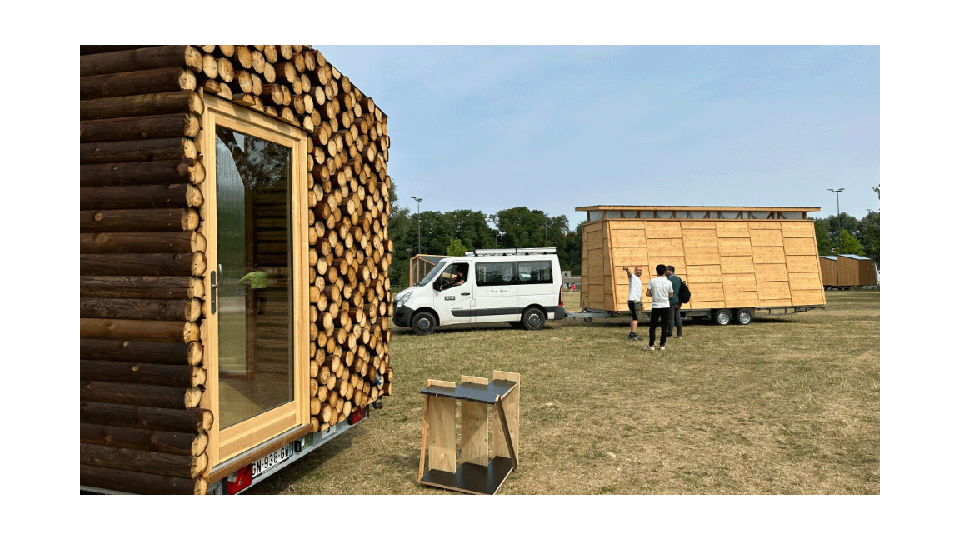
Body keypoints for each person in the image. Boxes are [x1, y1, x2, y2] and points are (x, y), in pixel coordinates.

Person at [644, 264, 673, 351]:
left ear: (656, 271)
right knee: (664, 326)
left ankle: (651, 344)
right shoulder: (669, 282)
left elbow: (647, 293)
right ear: (665, 271)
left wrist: (655, 294)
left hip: (656, 305)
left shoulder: (653, 281)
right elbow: (671, 295)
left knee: (653, 326)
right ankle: (662, 345)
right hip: (665, 305)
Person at [622, 265, 643, 341]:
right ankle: (632, 335)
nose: (639, 271)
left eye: (640, 270)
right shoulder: (633, 277)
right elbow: (629, 274)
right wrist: (627, 269)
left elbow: (639, 293)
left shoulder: (639, 280)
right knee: (635, 318)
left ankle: (633, 333)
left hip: (636, 301)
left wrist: (641, 303)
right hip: (633, 301)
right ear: (634, 271)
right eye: (637, 270)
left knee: (635, 318)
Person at [665, 265, 683, 339]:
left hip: (670, 300)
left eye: (666, 270)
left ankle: (669, 334)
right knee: (678, 318)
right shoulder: (679, 279)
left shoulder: (668, 279)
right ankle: (679, 334)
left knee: (670, 318)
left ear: (670, 271)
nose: (665, 272)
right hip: (678, 300)